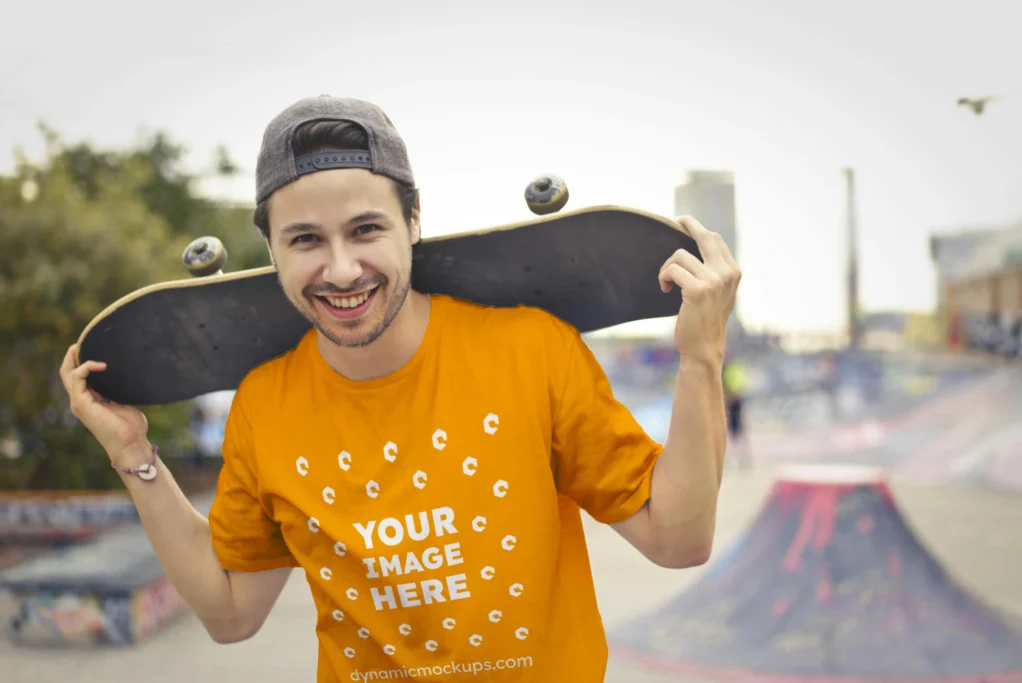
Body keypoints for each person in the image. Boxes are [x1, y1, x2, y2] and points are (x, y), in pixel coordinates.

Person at [59, 95, 741, 682]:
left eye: (366, 229)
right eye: (305, 240)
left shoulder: (530, 350)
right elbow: (231, 612)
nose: (342, 268)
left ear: (413, 220)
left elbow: (677, 539)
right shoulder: (266, 406)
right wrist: (135, 456)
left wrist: (700, 358)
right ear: (271, 250)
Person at [722, 354, 753, 468]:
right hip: (730, 402)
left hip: (733, 403)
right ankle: (738, 459)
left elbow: (736, 387)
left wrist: (731, 396)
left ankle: (742, 458)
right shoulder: (728, 370)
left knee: (737, 431)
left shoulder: (731, 370)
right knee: (733, 431)